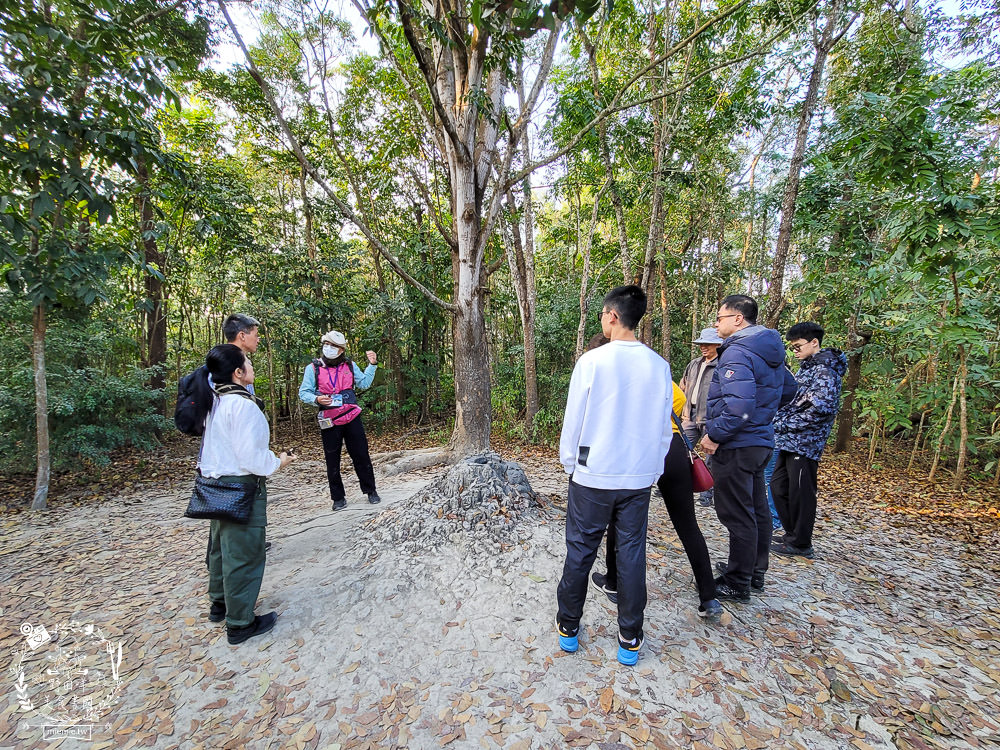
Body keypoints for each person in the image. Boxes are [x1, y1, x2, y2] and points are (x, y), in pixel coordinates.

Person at [556, 285, 672, 666]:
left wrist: (569, 463)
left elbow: (574, 419)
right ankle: (629, 637)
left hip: (594, 475)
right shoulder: (659, 366)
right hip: (638, 476)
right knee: (632, 553)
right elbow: (662, 427)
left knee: (581, 550)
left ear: (612, 316)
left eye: (603, 315)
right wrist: (653, 468)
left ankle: (569, 628)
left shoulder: (592, 362)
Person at [592, 380, 723, 619]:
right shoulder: (658, 373)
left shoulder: (624, 375)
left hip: (640, 448)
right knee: (688, 525)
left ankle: (612, 582)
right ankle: (709, 596)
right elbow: (680, 398)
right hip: (671, 446)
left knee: (620, 518)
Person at [700, 295, 796, 602]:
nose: (717, 324)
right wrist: (762, 414)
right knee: (756, 509)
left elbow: (739, 407)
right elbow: (789, 389)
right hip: (760, 441)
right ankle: (753, 571)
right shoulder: (770, 350)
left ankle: (737, 581)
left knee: (737, 513)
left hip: (738, 444)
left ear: (738, 319)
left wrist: (715, 434)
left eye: (720, 318)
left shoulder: (739, 351)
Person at [201, 344, 297, 645]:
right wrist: (279, 461)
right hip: (240, 485)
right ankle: (240, 623)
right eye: (248, 363)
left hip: (213, 482)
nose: (252, 368)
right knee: (243, 553)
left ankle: (220, 604)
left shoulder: (213, 401)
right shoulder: (243, 406)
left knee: (219, 546)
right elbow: (252, 459)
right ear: (238, 373)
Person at [770, 322, 847, 559]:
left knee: (801, 492)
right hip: (789, 441)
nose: (795, 351)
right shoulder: (808, 367)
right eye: (791, 347)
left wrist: (784, 423)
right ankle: (792, 533)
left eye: (798, 346)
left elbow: (821, 410)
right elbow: (796, 400)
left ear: (814, 342)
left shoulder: (825, 371)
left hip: (805, 443)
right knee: (778, 486)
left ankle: (801, 542)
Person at [299, 330, 381, 510]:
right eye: (326, 344)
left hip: (352, 416)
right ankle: (338, 498)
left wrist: (372, 364)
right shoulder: (313, 368)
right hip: (329, 419)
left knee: (361, 454)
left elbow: (364, 383)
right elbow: (304, 392)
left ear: (341, 350)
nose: (328, 348)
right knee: (332, 458)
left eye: (333, 346)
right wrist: (317, 399)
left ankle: (371, 490)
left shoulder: (349, 365)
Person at [679, 327, 724, 507]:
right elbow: (683, 386)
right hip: (690, 415)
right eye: (701, 344)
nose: (703, 347)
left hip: (710, 416)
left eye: (708, 344)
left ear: (718, 345)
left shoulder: (722, 365)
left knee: (710, 457)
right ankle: (678, 485)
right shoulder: (694, 364)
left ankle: (707, 494)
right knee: (680, 449)